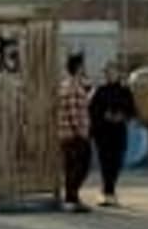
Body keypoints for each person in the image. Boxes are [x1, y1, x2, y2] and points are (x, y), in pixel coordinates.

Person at [87, 57, 139, 204]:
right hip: (102, 132)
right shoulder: (99, 90)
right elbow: (91, 110)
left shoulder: (125, 91)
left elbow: (132, 110)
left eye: (112, 72)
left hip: (118, 131)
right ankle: (108, 192)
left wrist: (122, 116)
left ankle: (108, 190)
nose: (109, 74)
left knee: (117, 162)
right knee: (105, 162)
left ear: (118, 73)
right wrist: (104, 116)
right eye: (107, 72)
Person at [54, 52, 94, 211]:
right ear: (78, 68)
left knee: (71, 166)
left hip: (66, 133)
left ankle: (72, 197)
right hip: (74, 134)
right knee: (81, 165)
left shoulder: (66, 85)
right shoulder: (74, 87)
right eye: (83, 66)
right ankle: (72, 197)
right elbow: (73, 111)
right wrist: (80, 132)